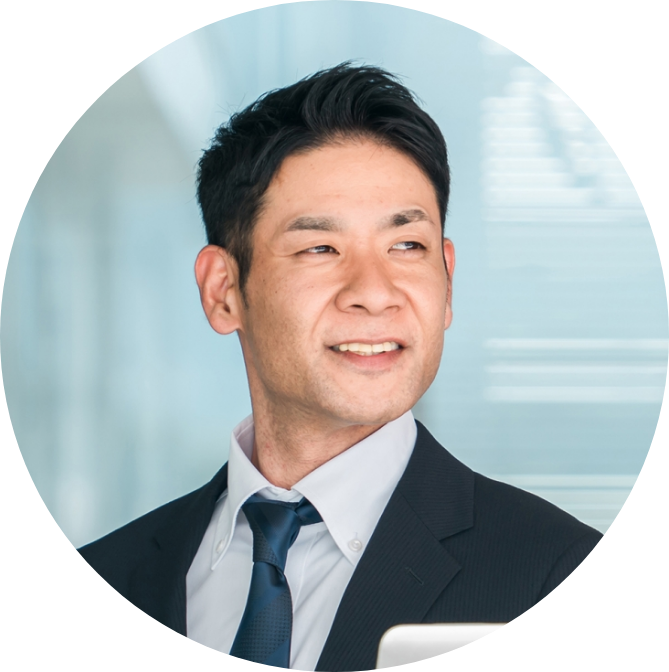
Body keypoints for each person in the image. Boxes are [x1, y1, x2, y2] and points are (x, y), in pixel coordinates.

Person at [78, 63, 603, 671]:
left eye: (407, 245)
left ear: (447, 280)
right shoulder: (112, 571)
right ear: (223, 291)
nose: (375, 293)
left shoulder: (550, 571)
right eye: (320, 248)